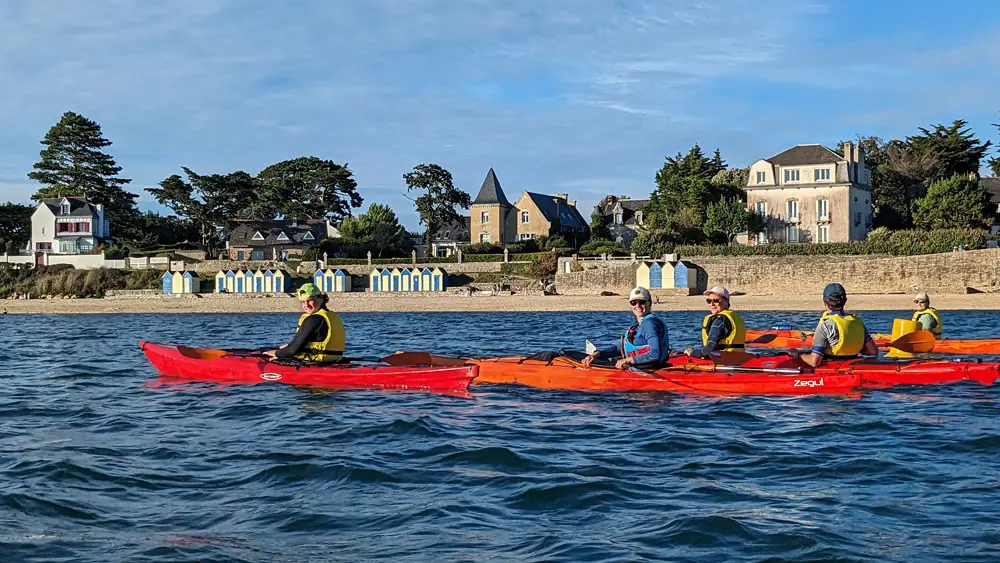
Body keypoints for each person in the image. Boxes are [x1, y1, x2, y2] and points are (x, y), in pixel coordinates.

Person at [582, 286, 670, 370]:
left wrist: (627, 360)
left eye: (642, 302)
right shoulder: (639, 325)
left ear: (649, 303)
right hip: (641, 366)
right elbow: (618, 348)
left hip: (648, 369)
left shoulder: (649, 324)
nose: (638, 305)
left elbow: (654, 354)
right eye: (634, 302)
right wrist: (596, 354)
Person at [795, 283, 878, 367]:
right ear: (845, 301)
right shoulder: (858, 323)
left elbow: (814, 362)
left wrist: (797, 354)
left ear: (825, 302)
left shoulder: (825, 325)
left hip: (832, 370)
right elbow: (873, 351)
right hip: (853, 367)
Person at [262, 283, 346, 363]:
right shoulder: (330, 316)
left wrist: (275, 353)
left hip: (315, 363)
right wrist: (282, 348)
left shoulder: (313, 319)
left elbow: (291, 351)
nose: (306, 305)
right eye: (303, 302)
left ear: (321, 298)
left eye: (310, 300)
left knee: (264, 353)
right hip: (332, 360)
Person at [683, 285, 745, 358]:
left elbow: (710, 347)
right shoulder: (735, 317)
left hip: (722, 360)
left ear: (726, 301)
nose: (712, 304)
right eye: (709, 301)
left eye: (716, 300)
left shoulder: (720, 320)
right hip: (738, 358)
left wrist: (693, 353)